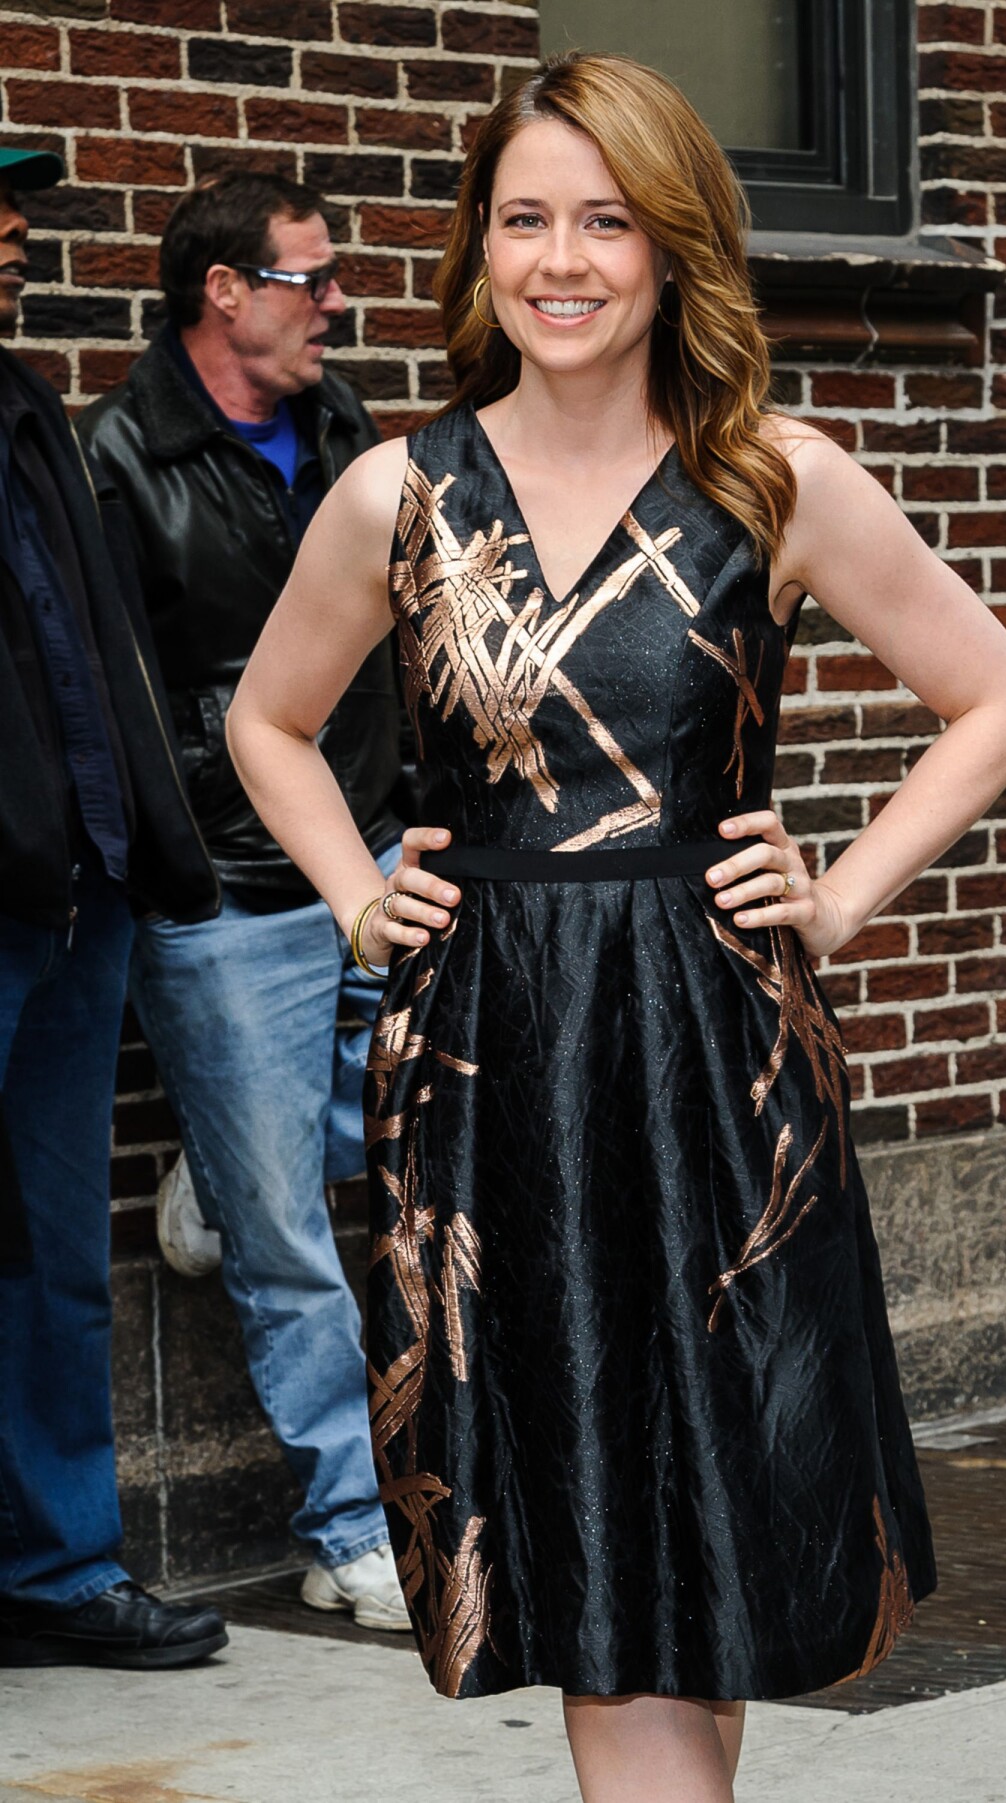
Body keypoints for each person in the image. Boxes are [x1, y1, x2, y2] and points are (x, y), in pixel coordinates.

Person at [227, 52, 1006, 1800]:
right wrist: (361, 894)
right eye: (524, 218)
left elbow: (996, 698)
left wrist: (837, 894)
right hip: (496, 1059)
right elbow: (265, 723)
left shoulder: (772, 479)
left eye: (608, 218)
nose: (564, 259)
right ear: (478, 250)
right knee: (587, 1503)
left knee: (717, 1505)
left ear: (675, 245)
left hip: (717, 1057)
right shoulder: (399, 496)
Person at [78, 172, 412, 1631]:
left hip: (383, 849)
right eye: (312, 278)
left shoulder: (349, 436)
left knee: (438, 1089)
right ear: (227, 290)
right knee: (288, 1233)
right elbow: (125, 696)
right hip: (230, 890)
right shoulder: (119, 458)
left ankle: (220, 1163)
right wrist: (187, 857)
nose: (336, 302)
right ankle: (350, 1532)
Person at [0, 146, 227, 1668]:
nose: (13, 234)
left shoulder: (23, 410)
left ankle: (56, 1567)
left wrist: (139, 841)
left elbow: (95, 661)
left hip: (70, 897)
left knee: (49, 1244)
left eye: (16, 208)